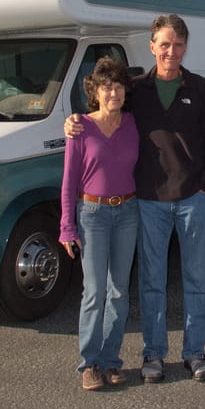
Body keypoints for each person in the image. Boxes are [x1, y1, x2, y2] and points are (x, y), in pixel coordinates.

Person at [65, 14, 205, 383]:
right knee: (151, 281)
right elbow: (102, 108)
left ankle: (195, 353)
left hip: (192, 201)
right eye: (165, 44)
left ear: (186, 47)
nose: (172, 51)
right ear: (152, 46)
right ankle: (153, 355)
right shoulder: (136, 90)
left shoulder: (200, 89)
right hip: (150, 203)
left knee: (196, 279)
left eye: (179, 44)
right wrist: (73, 121)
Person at [59, 56, 140, 391]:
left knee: (119, 292)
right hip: (92, 215)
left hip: (128, 212)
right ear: (96, 92)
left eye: (119, 86)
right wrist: (67, 225)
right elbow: (68, 181)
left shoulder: (134, 123)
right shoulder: (79, 127)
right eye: (107, 87)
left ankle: (110, 361)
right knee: (94, 292)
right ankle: (89, 365)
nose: (114, 93)